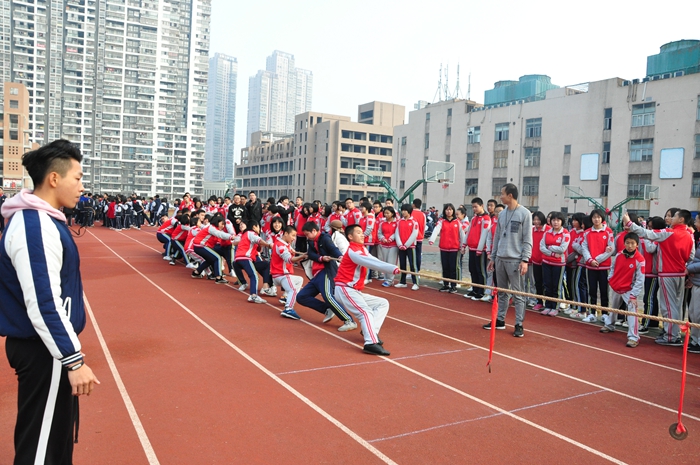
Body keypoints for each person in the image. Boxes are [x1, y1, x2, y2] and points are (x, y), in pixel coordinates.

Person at [0, 139, 99, 464]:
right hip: (43, 350)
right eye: (78, 177)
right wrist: (73, 359)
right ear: (54, 179)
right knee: (40, 449)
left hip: (48, 347)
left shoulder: (44, 220)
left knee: (54, 443)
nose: (82, 186)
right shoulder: (35, 226)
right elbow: (44, 303)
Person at [624, 209, 694, 346]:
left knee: (668, 306)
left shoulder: (669, 233)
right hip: (681, 273)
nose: (671, 218)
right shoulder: (689, 235)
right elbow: (691, 257)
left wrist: (630, 223)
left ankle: (671, 336)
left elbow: (647, 233)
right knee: (677, 306)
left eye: (673, 216)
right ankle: (674, 332)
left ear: (681, 220)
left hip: (667, 272)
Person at [334, 224, 400, 355]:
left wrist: (390, 267)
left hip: (353, 290)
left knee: (382, 303)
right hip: (345, 289)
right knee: (365, 313)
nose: (362, 234)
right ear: (350, 236)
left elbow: (372, 259)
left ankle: (370, 332)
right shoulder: (353, 250)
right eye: (358, 232)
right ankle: (370, 342)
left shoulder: (361, 248)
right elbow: (370, 263)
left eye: (362, 232)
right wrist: (391, 269)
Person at [484, 183, 533, 338]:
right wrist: (493, 257)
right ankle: (500, 320)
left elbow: (527, 239)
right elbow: (497, 236)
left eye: (502, 193)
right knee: (502, 293)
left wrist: (525, 260)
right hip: (500, 259)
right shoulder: (503, 214)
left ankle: (519, 324)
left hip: (515, 260)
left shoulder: (525, 213)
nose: (500, 196)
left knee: (518, 294)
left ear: (510, 195)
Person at [298, 221, 357, 331]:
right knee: (301, 297)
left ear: (314, 231)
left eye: (307, 234)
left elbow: (333, 249)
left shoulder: (325, 238)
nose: (306, 237)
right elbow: (311, 254)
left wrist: (339, 256)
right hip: (316, 274)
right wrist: (321, 258)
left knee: (328, 296)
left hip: (325, 271)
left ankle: (348, 320)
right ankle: (327, 309)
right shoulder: (311, 241)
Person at [599, 232, 645, 347]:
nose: (630, 246)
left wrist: (634, 295)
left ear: (637, 245)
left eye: (632, 243)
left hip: (629, 290)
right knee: (613, 308)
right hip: (616, 287)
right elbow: (613, 267)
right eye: (627, 243)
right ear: (624, 243)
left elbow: (640, 280)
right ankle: (610, 325)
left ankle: (633, 337)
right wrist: (611, 279)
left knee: (631, 313)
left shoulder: (640, 260)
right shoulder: (619, 254)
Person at [581, 209, 614, 323]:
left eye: (599, 217)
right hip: (591, 266)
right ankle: (592, 313)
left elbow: (610, 249)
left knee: (604, 290)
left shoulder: (608, 231)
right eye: (594, 217)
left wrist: (597, 260)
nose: (596, 219)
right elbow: (584, 248)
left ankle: (605, 313)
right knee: (592, 290)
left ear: (602, 218)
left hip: (604, 266)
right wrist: (590, 260)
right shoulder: (587, 232)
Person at [270, 226, 307, 320]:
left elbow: (290, 252)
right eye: (293, 235)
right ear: (286, 234)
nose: (294, 238)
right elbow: (290, 260)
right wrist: (302, 256)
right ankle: (288, 309)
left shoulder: (284, 244)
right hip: (281, 275)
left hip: (279, 275)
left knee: (299, 280)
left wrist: (294, 252)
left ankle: (286, 298)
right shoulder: (281, 246)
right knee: (293, 290)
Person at [539, 211, 570, 316]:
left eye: (558, 220)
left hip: (559, 264)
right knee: (547, 284)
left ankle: (555, 307)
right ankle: (548, 305)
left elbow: (562, 249)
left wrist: (549, 247)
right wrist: (552, 253)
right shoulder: (547, 233)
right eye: (553, 220)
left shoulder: (565, 233)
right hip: (546, 262)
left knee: (556, 286)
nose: (555, 222)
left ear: (562, 221)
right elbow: (541, 247)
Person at [428, 203, 462, 293]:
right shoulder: (441, 221)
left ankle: (453, 286)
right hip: (444, 248)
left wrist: (463, 245)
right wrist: (432, 240)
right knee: (445, 267)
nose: (449, 211)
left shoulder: (457, 222)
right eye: (447, 209)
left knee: (453, 268)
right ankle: (446, 284)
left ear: (453, 211)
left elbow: (462, 234)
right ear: (444, 211)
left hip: (454, 249)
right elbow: (436, 230)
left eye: (450, 209)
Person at [465, 198, 490, 300]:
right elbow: (469, 231)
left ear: (481, 206)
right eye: (473, 207)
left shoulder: (486, 218)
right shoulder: (474, 218)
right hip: (472, 248)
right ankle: (474, 289)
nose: (474, 209)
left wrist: (480, 249)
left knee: (480, 271)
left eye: (476, 206)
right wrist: (464, 244)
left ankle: (481, 291)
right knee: (472, 270)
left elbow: (484, 235)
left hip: (480, 250)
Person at [395, 204, 420, 290]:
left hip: (410, 247)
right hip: (401, 246)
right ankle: (402, 281)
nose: (403, 212)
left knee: (413, 265)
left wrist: (406, 245)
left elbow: (414, 234)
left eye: (405, 210)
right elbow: (397, 233)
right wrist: (400, 244)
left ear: (409, 211)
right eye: (402, 210)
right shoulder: (399, 221)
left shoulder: (414, 222)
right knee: (402, 264)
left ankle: (415, 282)